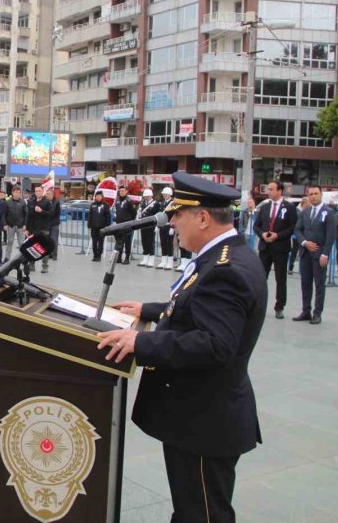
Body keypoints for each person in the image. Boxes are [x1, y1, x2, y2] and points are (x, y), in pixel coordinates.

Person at [97, 171, 266, 523]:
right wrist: (151, 310)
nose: (172, 221)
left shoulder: (225, 269)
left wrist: (141, 342)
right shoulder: (223, 255)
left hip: (204, 421)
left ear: (203, 217)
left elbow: (215, 343)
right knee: (192, 510)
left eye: (179, 214)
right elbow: (199, 306)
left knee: (202, 514)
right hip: (202, 414)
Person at [252, 180, 298, 320]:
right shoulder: (265, 207)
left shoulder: (289, 207)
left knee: (280, 278)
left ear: (280, 191)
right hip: (265, 247)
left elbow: (292, 227)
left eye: (271, 189)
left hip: (280, 248)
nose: (269, 192)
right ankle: (257, 305)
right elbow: (257, 226)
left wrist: (278, 235)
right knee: (260, 278)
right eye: (268, 189)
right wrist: (263, 234)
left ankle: (279, 306)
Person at [293, 185, 336, 325]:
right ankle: (306, 311)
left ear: (321, 194)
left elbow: (330, 235)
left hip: (319, 254)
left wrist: (325, 254)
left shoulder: (328, 212)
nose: (313, 196)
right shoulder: (305, 212)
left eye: (316, 193)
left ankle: (317, 313)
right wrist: (304, 242)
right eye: (310, 194)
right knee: (305, 283)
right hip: (305, 253)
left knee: (319, 284)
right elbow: (298, 230)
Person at [23, 185, 53, 274]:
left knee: (44, 248)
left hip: (43, 229)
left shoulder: (47, 202)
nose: (37, 192)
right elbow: (29, 216)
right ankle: (32, 265)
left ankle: (45, 266)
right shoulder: (32, 202)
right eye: (36, 191)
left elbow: (51, 214)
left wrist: (41, 211)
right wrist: (27, 228)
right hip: (33, 229)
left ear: (42, 191)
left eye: (39, 191)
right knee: (32, 248)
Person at [113, 186, 137, 265]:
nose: (121, 192)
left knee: (127, 242)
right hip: (119, 224)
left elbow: (134, 212)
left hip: (127, 224)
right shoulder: (117, 200)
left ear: (126, 191)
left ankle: (127, 258)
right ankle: (119, 257)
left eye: (123, 191)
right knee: (119, 241)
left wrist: (130, 221)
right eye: (120, 191)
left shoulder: (129, 201)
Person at [137, 189, 161, 267]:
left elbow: (157, 215)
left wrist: (157, 226)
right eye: (145, 196)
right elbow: (141, 214)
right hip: (143, 225)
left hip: (151, 225)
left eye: (147, 195)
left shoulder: (156, 204)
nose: (146, 197)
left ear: (151, 195)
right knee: (144, 242)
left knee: (150, 242)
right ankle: (145, 258)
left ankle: (151, 259)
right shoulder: (143, 204)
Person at [3, 186, 27, 261]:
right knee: (9, 242)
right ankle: (7, 257)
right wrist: (5, 224)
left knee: (21, 243)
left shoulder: (23, 202)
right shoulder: (8, 202)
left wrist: (25, 225)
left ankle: (23, 258)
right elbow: (4, 214)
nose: (17, 194)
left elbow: (26, 214)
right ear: (12, 193)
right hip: (10, 225)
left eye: (18, 192)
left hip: (20, 226)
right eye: (15, 192)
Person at [87, 191, 111, 261]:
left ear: (102, 197)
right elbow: (90, 216)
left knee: (100, 242)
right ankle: (95, 255)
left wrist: (107, 225)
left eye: (100, 196)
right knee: (94, 242)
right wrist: (89, 225)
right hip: (94, 227)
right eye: (97, 196)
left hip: (102, 228)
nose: (98, 197)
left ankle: (99, 256)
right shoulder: (92, 205)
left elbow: (108, 216)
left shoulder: (105, 205)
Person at [156, 187, 175, 269]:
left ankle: (170, 262)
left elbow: (174, 216)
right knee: (163, 243)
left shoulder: (173, 203)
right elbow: (160, 215)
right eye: (163, 194)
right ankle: (163, 261)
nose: (164, 195)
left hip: (169, 225)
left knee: (169, 244)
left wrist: (172, 227)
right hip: (162, 226)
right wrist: (157, 226)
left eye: (165, 194)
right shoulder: (162, 202)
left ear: (170, 194)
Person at [46, 189, 61, 261]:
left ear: (52, 195)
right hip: (47, 224)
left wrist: (49, 215)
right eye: (46, 194)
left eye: (48, 194)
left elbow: (57, 213)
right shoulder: (46, 202)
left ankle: (55, 254)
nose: (47, 195)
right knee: (47, 240)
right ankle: (49, 254)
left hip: (54, 224)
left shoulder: (56, 202)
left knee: (54, 239)